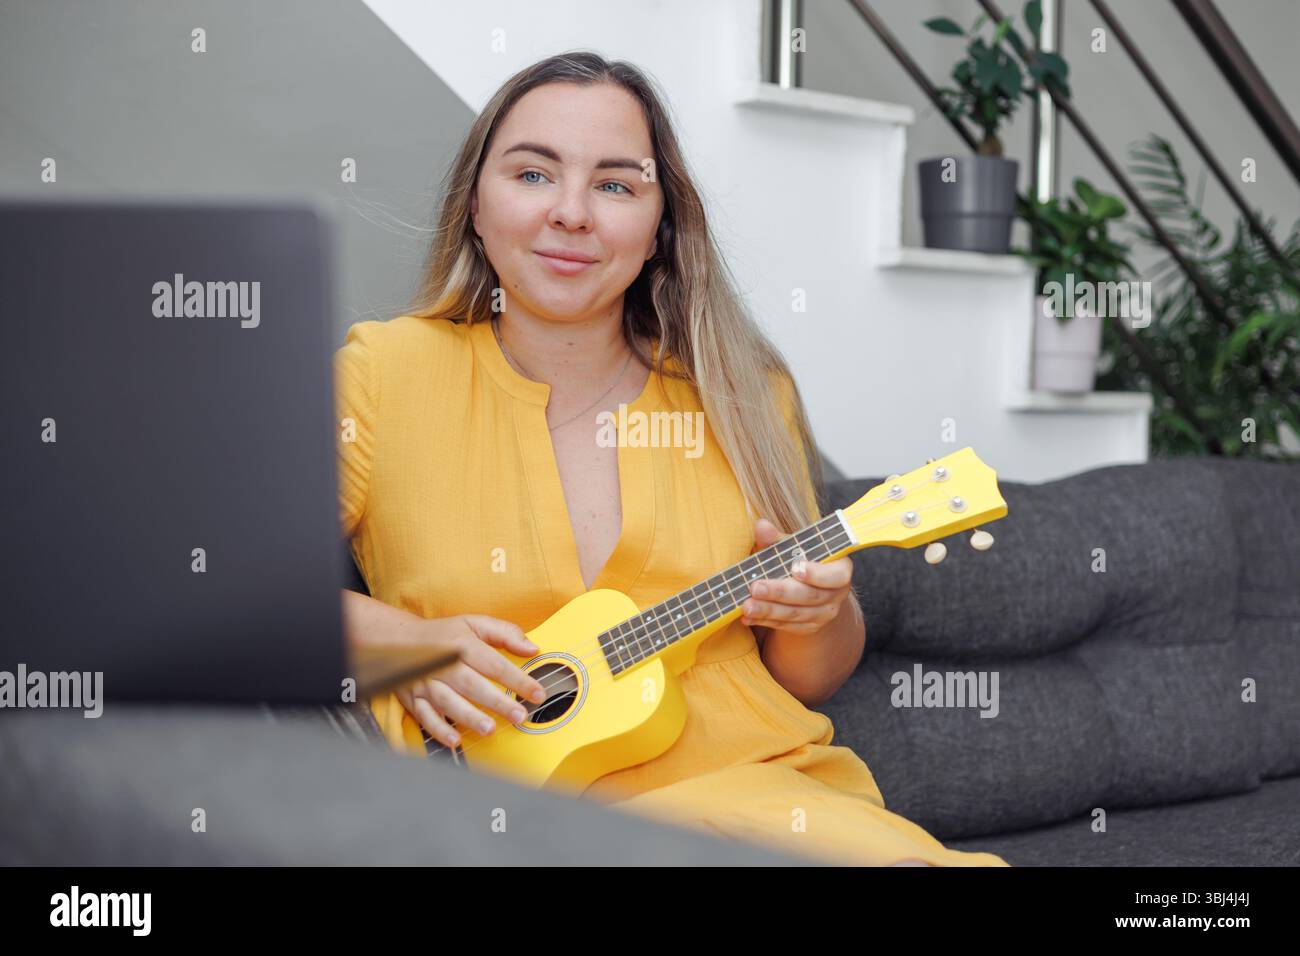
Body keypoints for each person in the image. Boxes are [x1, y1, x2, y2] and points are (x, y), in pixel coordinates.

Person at [336, 50, 1008, 867]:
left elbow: (808, 679)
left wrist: (820, 614)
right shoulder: (384, 373)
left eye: (617, 185)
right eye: (533, 174)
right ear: (476, 203)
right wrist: (395, 638)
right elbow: (216, 585)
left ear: (660, 229)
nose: (572, 213)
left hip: (754, 796)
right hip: (495, 817)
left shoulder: (743, 394)